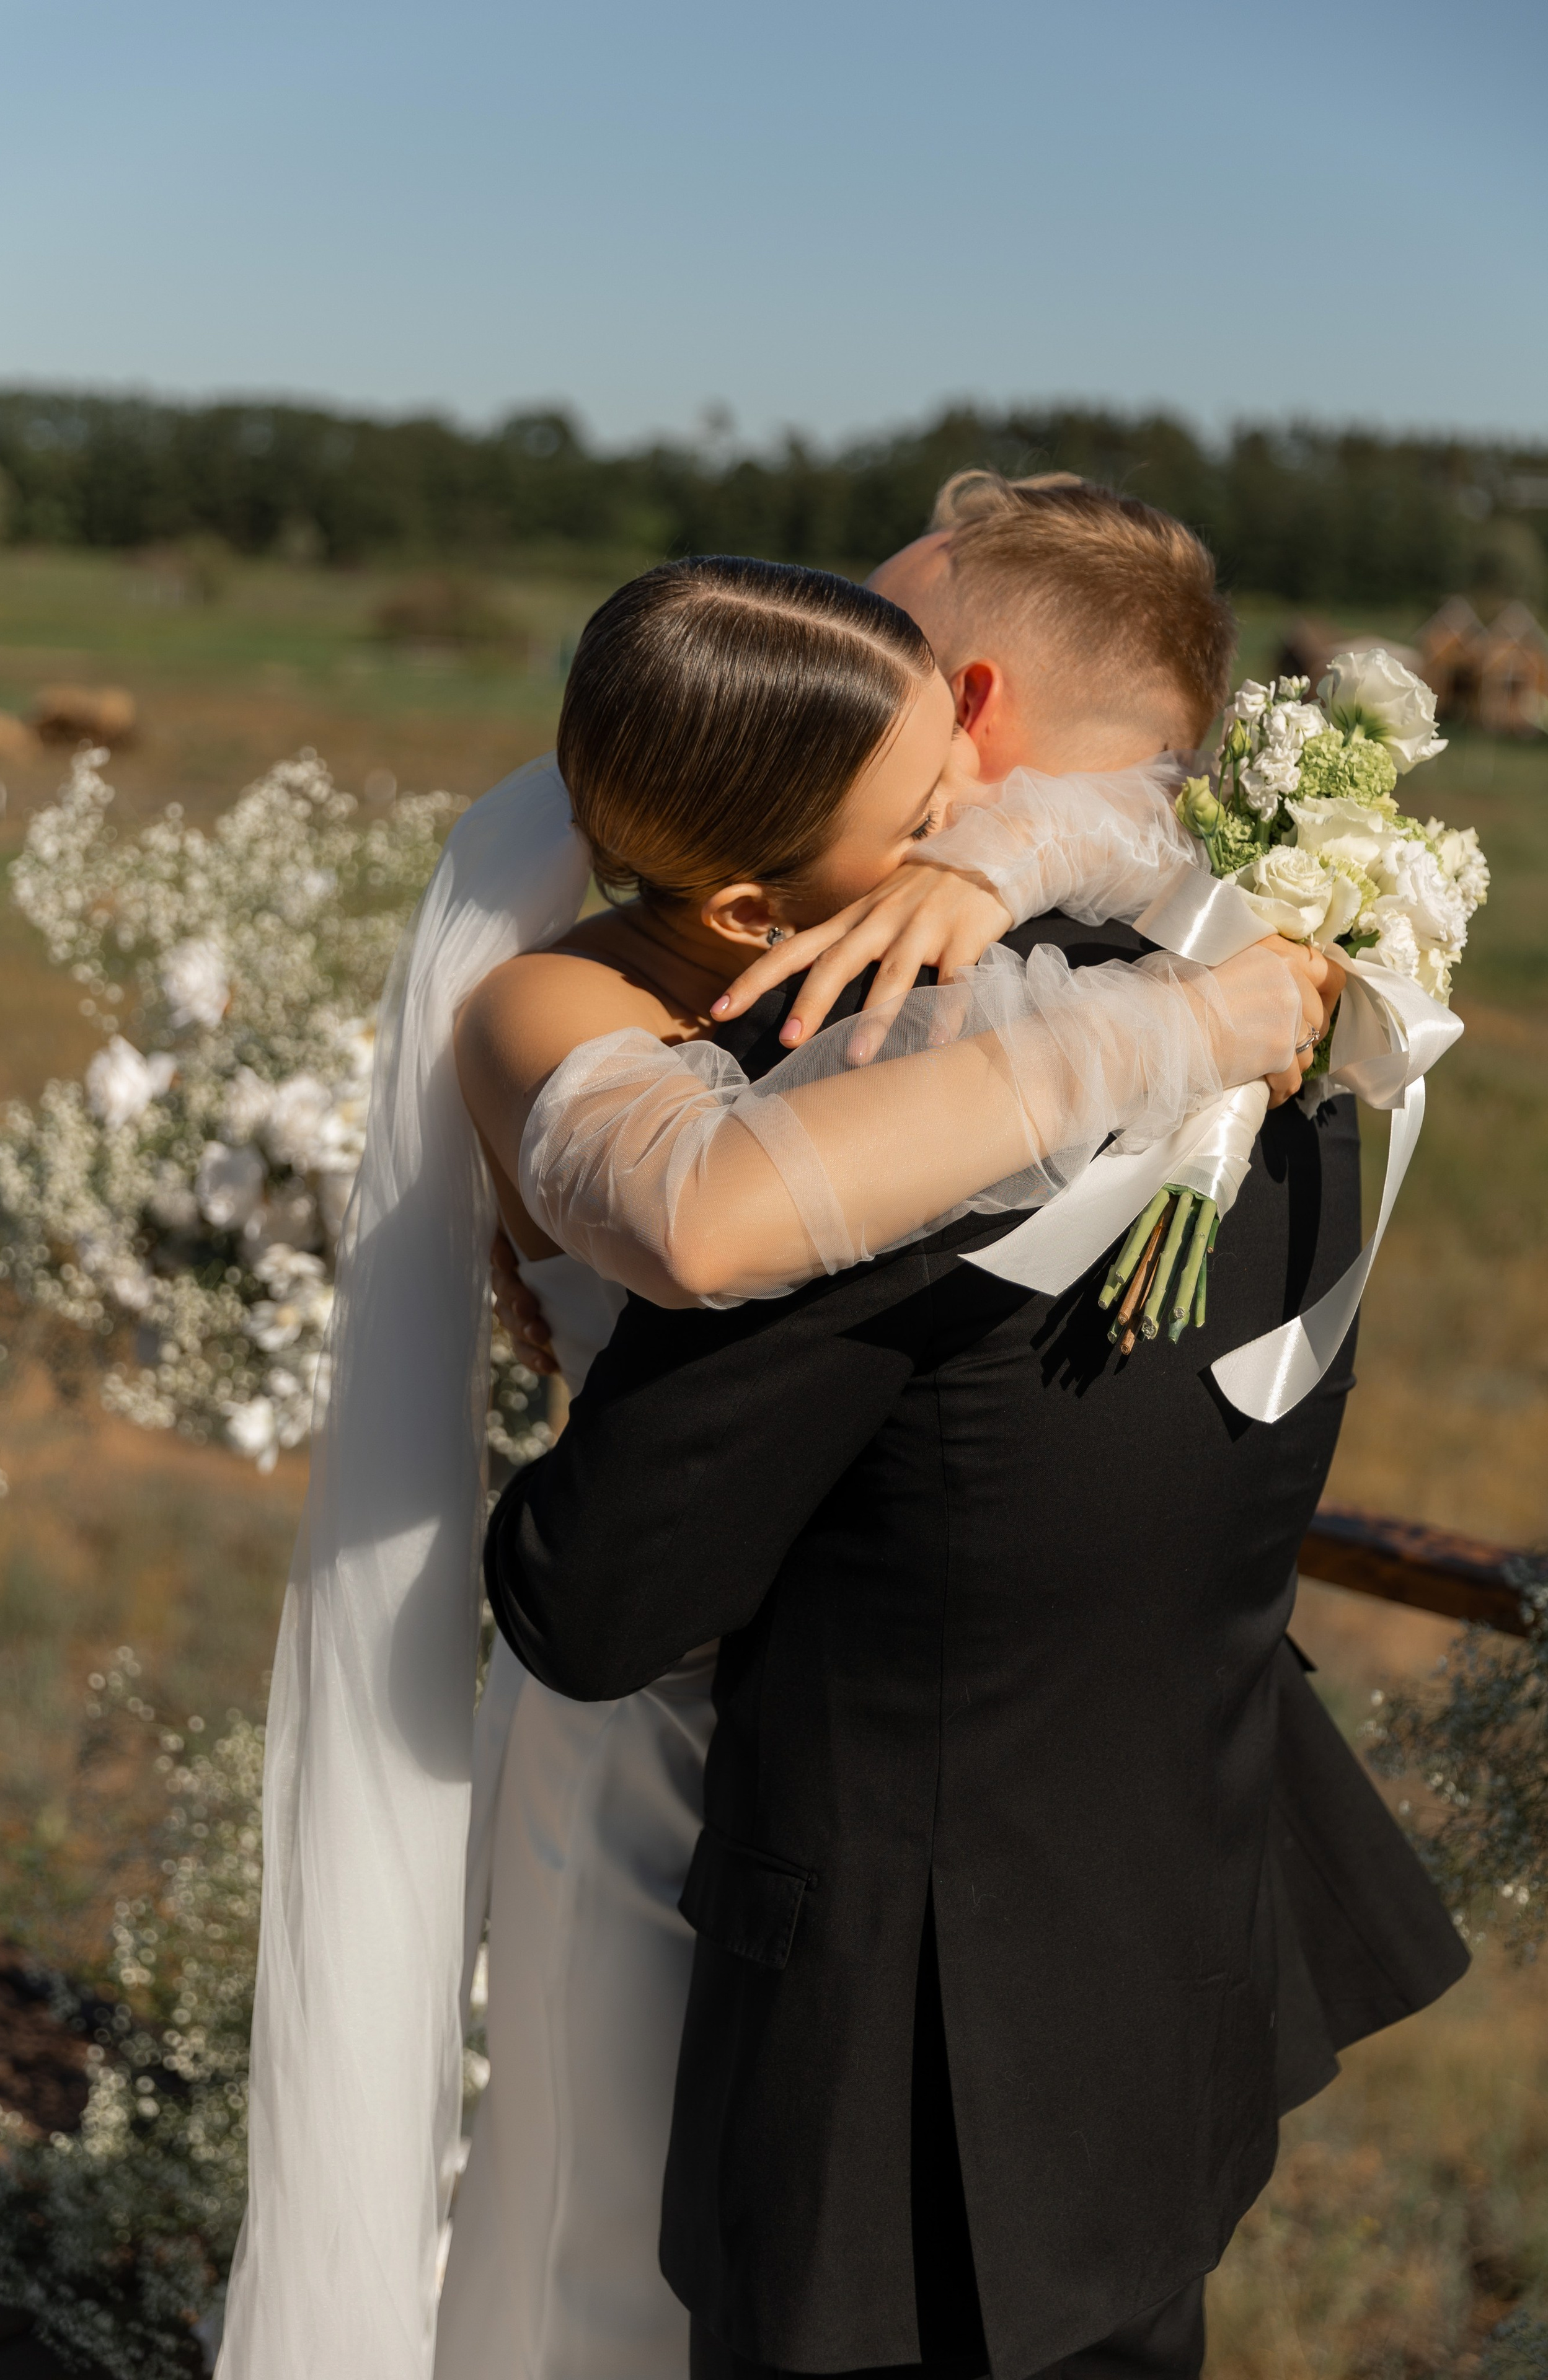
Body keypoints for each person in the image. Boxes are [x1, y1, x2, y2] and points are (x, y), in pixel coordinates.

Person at [221, 542, 1319, 2380]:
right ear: (741, 904)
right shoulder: (549, 1011)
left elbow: (1118, 804)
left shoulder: (896, 912)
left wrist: (1002, 856)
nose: (988, 798)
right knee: (620, 2256)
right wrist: (1177, 1029)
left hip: (869, 1735)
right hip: (650, 1736)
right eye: (934, 794)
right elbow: (718, 1220)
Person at [475, 493, 1465, 2379]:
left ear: (965, 703)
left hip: (899, 2095)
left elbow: (593, 1604)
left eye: (888, 641)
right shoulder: (1320, 997)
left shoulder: (896, 1077)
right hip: (1168, 1999)